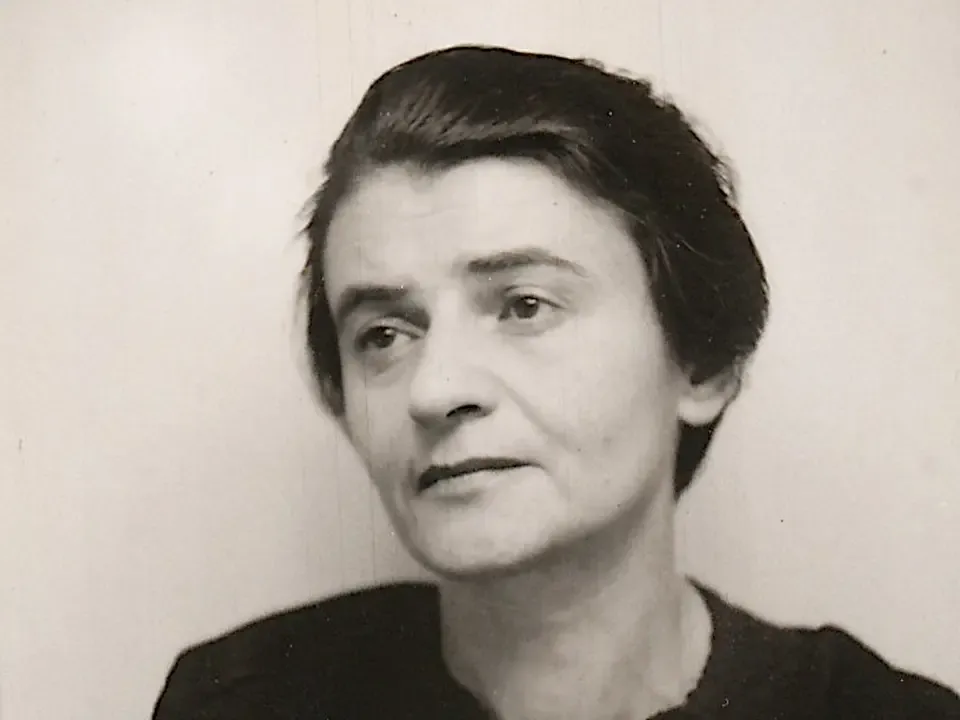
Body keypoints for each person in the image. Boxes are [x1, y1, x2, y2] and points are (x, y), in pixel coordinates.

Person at [152, 45, 960, 719]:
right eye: (384, 336)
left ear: (702, 362)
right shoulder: (241, 702)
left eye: (525, 306)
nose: (434, 390)